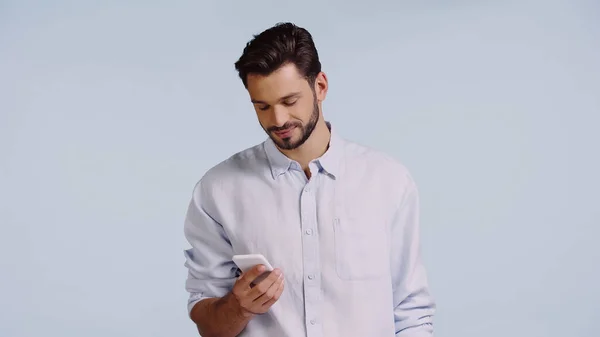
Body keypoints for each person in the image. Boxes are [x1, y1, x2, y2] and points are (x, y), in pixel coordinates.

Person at [183, 22, 436, 337]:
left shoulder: (388, 181)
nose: (278, 120)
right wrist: (239, 307)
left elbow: (412, 313)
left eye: (290, 101)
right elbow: (207, 321)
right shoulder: (219, 190)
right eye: (262, 106)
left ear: (320, 86)